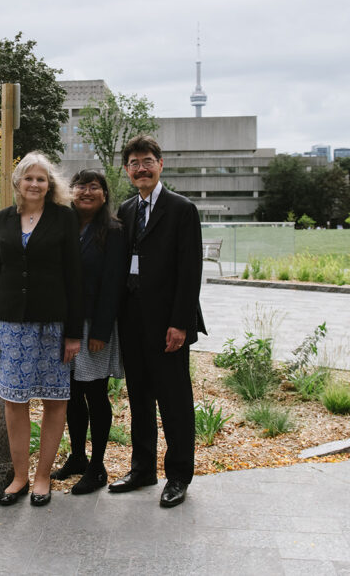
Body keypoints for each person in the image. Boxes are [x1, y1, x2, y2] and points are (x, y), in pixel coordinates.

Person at [109, 134, 206, 509]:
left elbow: (189, 271)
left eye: (147, 160)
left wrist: (180, 323)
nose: (141, 168)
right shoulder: (126, 209)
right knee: (139, 399)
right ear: (127, 170)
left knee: (175, 401)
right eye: (133, 163)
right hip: (132, 321)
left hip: (168, 325)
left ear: (160, 164)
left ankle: (179, 475)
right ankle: (142, 468)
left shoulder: (182, 210)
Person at [0, 152, 83, 507]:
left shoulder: (64, 219)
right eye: (29, 178)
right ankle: (20, 476)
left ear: (49, 184)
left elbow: (74, 276)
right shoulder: (3, 220)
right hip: (10, 324)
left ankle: (43, 478)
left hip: (53, 324)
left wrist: (73, 333)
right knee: (15, 399)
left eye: (42, 179)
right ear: (18, 183)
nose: (35, 184)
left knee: (55, 398)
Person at [50, 169, 126, 494]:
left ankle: (98, 467)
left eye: (94, 186)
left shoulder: (113, 231)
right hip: (65, 324)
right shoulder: (63, 226)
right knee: (70, 394)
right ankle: (78, 457)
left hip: (95, 324)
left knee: (94, 393)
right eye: (80, 185)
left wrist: (101, 330)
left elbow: (113, 284)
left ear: (104, 195)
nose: (86, 191)